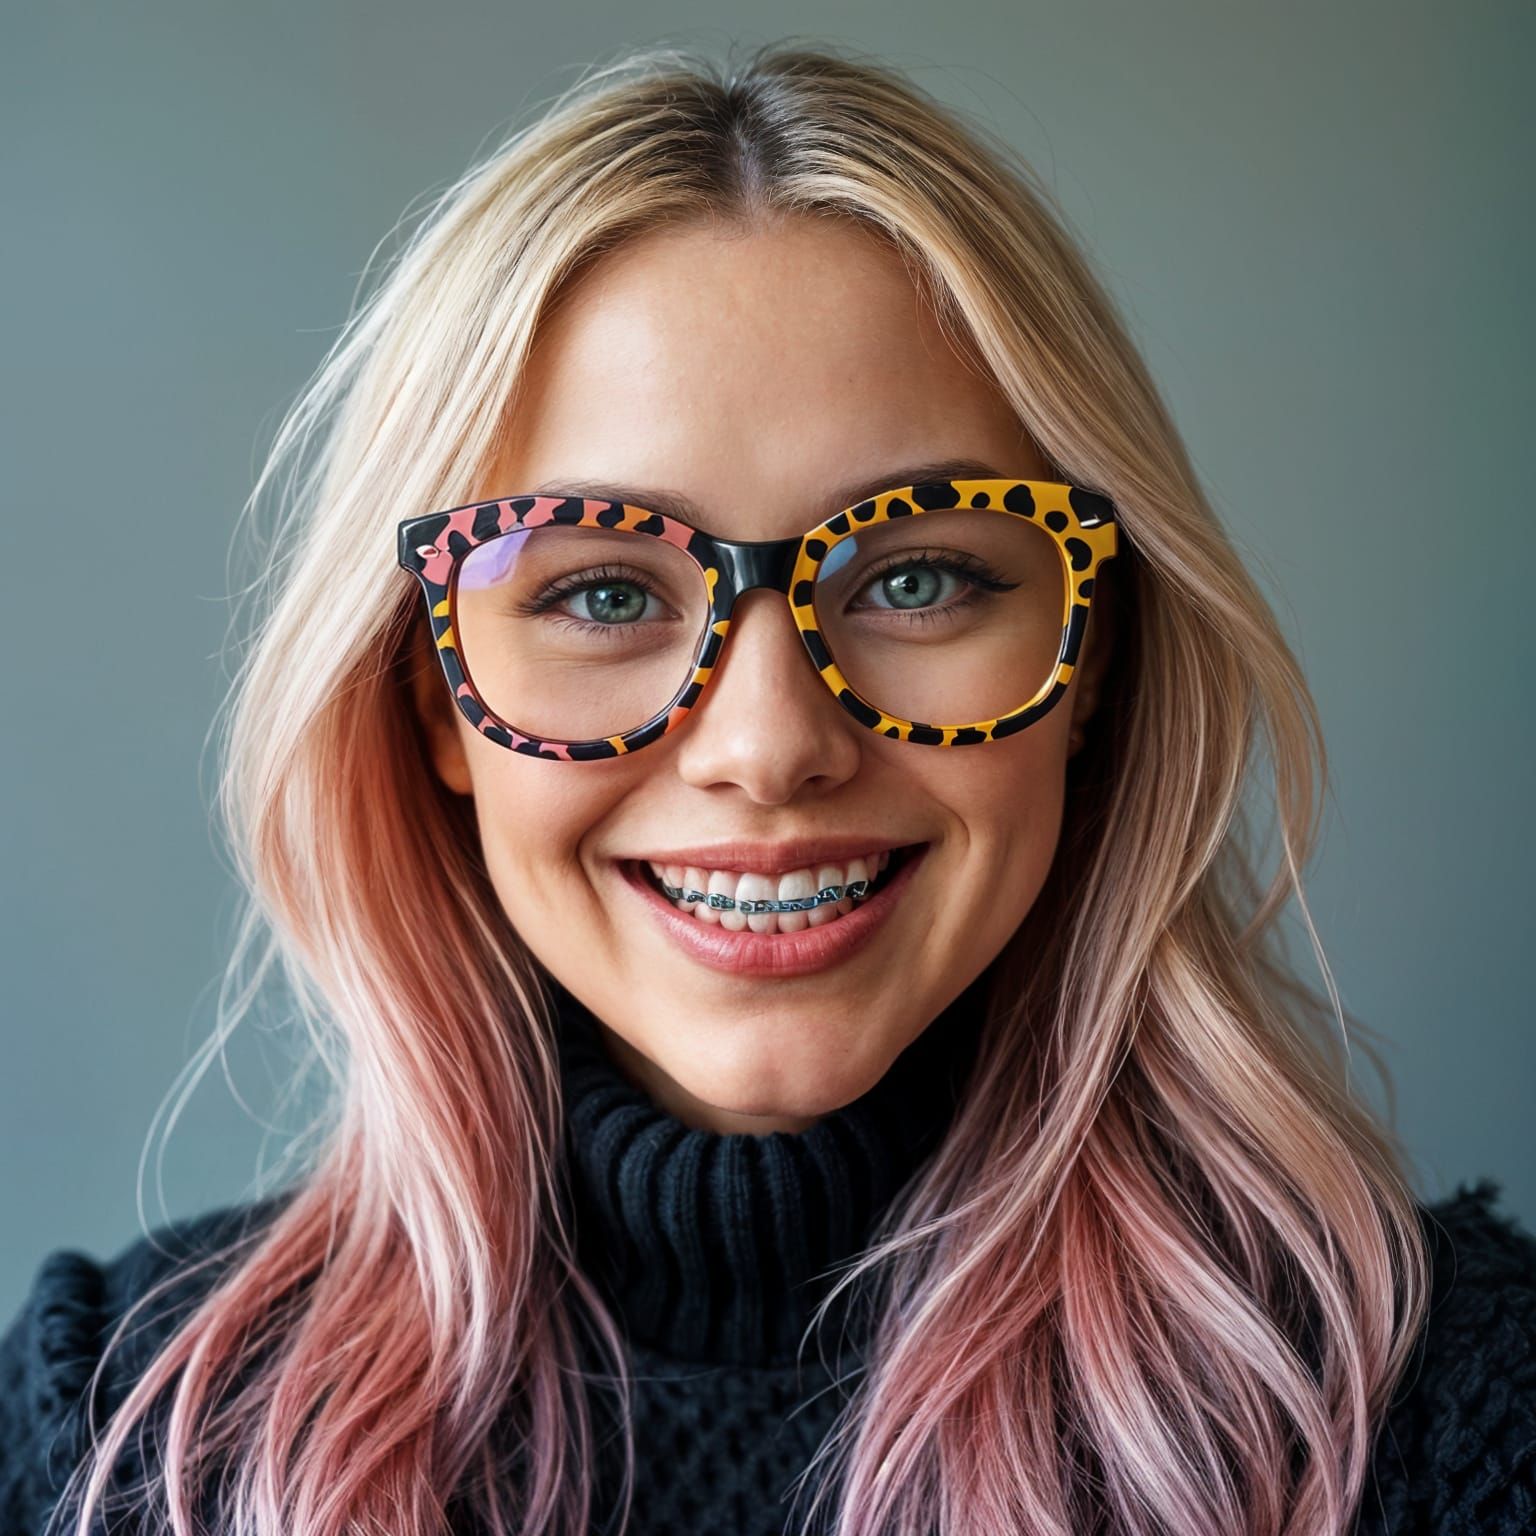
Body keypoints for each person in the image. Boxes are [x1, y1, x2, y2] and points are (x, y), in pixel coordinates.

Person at [2, 39, 1532, 1536]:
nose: (767, 744)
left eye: (920, 575)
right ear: (434, 706)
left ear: (1093, 666)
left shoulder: (1443, 1405)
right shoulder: (123, 1432)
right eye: (603, 593)